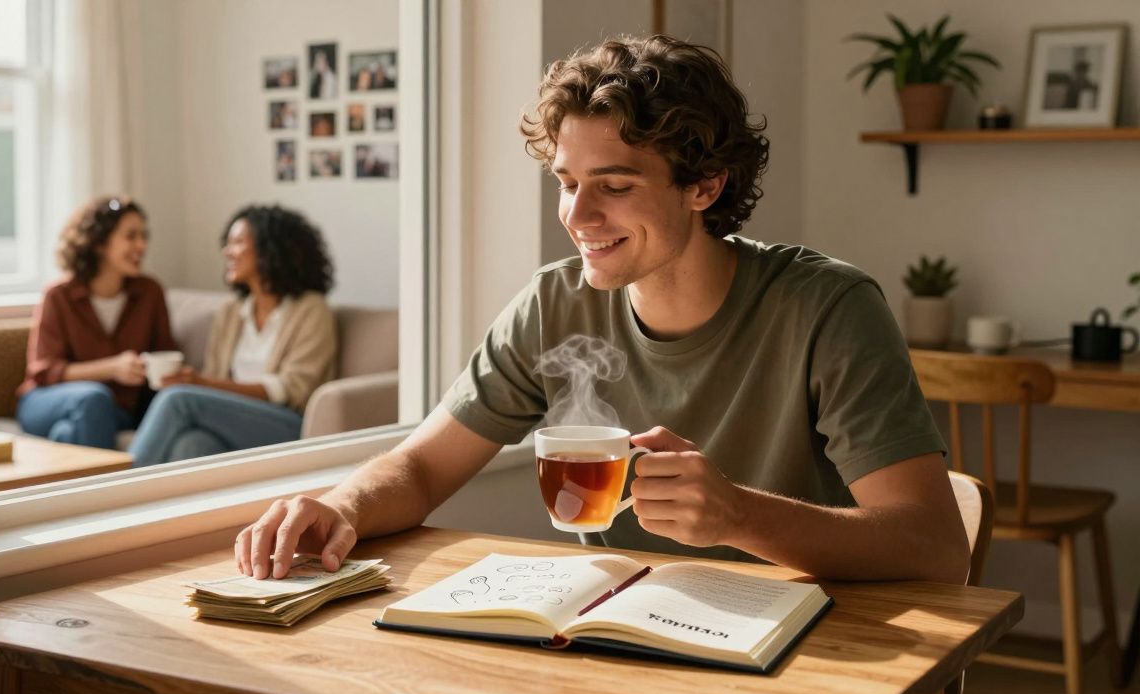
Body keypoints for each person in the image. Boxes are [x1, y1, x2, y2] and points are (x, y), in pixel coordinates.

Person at [237, 35, 969, 585]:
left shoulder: (827, 309)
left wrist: (739, 516)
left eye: (613, 185)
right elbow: (422, 470)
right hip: (614, 636)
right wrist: (341, 507)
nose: (576, 214)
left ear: (704, 186)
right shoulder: (554, 305)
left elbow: (934, 546)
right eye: (566, 181)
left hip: (807, 648)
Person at [128, 205, 337, 466]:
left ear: (269, 248)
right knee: (193, 444)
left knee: (178, 399)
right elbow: (216, 376)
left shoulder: (310, 309)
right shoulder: (230, 312)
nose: (227, 252)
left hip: (287, 423)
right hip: (232, 419)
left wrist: (200, 383)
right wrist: (203, 383)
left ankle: (116, 491)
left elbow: (292, 389)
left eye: (237, 242)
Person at [17, 196, 177, 449]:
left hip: (116, 410)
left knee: (70, 431)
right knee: (94, 398)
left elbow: (164, 353)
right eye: (131, 236)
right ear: (101, 243)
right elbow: (44, 371)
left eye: (144, 236)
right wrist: (112, 368)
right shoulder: (59, 295)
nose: (142, 245)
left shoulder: (150, 292)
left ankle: (66, 446)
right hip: (46, 401)